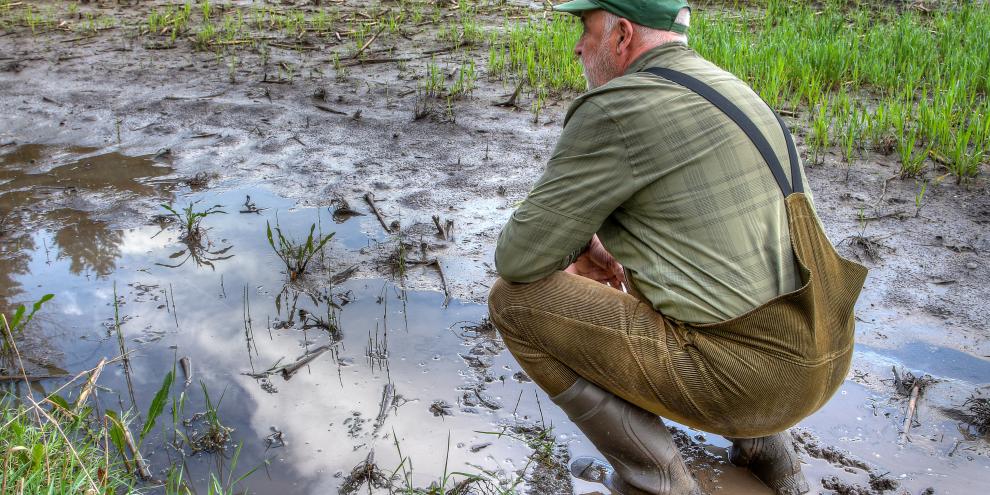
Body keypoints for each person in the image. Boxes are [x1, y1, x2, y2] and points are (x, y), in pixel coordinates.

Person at [487, 1, 868, 494]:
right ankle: (772, 460)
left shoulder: (618, 106)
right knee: (713, 267)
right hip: (828, 354)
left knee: (512, 301)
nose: (579, 46)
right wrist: (594, 239)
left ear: (622, 35)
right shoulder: (730, 88)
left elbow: (517, 258)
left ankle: (656, 483)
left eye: (586, 29)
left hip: (753, 384)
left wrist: (578, 238)